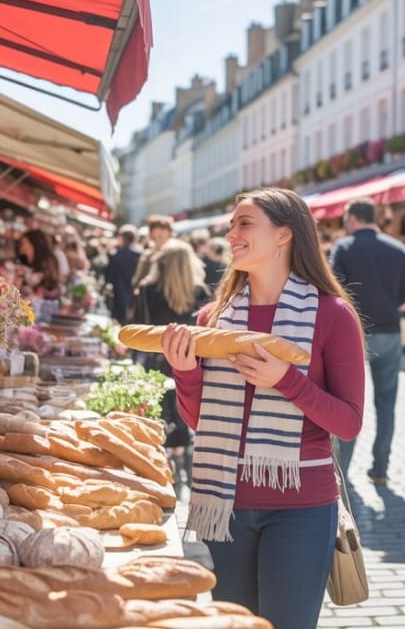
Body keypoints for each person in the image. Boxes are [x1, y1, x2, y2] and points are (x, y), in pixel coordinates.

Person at [160, 187, 365, 628]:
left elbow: (348, 423)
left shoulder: (332, 316)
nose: (231, 233)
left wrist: (285, 380)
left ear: (284, 236)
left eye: (244, 223)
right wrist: (186, 372)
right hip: (225, 505)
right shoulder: (210, 320)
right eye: (232, 225)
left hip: (302, 508)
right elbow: (200, 422)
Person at [329, 197, 405, 484]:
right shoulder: (399, 249)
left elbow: (333, 289)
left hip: (354, 332)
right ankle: (380, 468)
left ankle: (343, 471)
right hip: (390, 331)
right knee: (386, 404)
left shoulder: (344, 248)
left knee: (349, 403)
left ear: (352, 219)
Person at [133, 240, 212, 490]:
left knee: (157, 411)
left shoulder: (147, 289)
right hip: (190, 360)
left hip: (156, 360)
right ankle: (182, 456)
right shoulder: (200, 292)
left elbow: (139, 326)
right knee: (183, 409)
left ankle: (162, 462)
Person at [105, 225, 142, 324]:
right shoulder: (140, 253)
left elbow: (110, 275)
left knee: (119, 322)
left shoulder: (119, 254)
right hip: (134, 292)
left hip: (119, 291)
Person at [131, 214, 175, 289]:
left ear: (170, 232)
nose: (161, 232)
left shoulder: (177, 253)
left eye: (164, 228)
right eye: (157, 228)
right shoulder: (148, 255)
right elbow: (138, 280)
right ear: (151, 232)